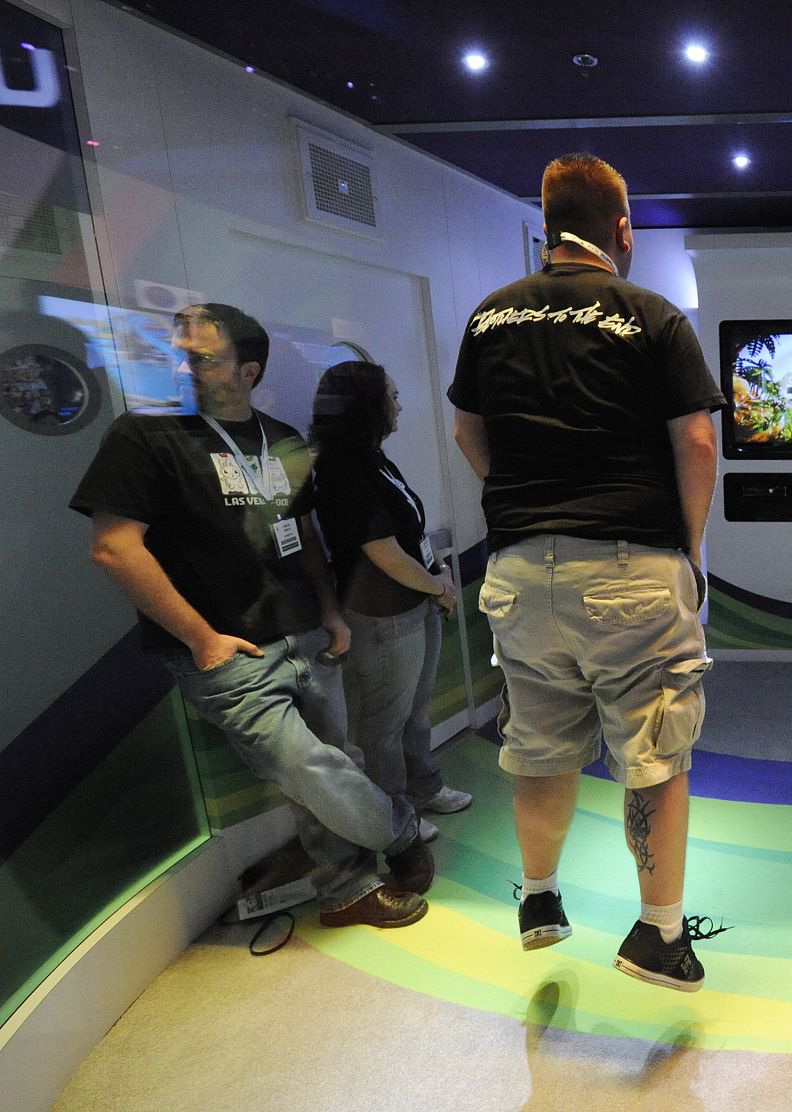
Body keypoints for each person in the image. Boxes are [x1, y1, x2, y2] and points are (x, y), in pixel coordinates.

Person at [449, 154, 726, 992]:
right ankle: (658, 935)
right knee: (653, 751)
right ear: (622, 231)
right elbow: (699, 443)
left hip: (520, 573)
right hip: (630, 568)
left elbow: (468, 433)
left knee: (539, 745)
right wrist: (691, 551)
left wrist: (528, 506)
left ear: (545, 227)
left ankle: (539, 899)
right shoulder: (652, 316)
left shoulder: (489, 316)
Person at [70, 304, 432, 928]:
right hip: (229, 653)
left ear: (249, 370)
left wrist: (332, 615)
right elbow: (113, 547)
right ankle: (400, 834)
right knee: (313, 767)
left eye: (203, 358)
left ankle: (346, 890)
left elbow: (304, 536)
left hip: (305, 633)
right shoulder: (144, 436)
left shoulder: (283, 438)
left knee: (325, 768)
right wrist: (202, 638)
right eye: (178, 352)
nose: (184, 366)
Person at [310, 361, 473, 846]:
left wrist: (436, 577)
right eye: (393, 395)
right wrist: (439, 586)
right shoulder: (341, 467)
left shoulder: (372, 456)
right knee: (384, 724)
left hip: (412, 603)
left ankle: (424, 788)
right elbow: (381, 551)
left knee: (415, 710)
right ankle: (396, 818)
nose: (399, 404)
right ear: (367, 406)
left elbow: (410, 535)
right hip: (381, 615)